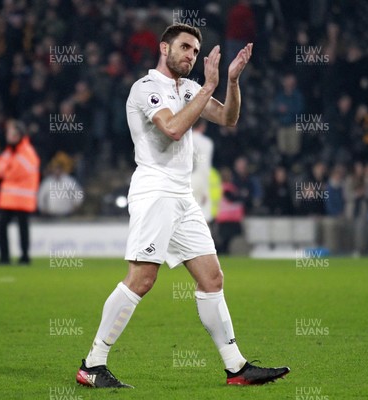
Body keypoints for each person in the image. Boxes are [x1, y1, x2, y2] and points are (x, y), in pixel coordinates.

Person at [76, 23, 289, 388]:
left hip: (182, 196)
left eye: (195, 50)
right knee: (142, 279)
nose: (191, 55)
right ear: (164, 48)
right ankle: (93, 365)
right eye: (185, 48)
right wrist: (209, 86)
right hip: (155, 190)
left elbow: (228, 118)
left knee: (212, 278)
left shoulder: (189, 88)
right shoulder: (145, 89)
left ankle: (236, 367)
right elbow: (172, 129)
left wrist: (232, 81)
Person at [0, 120, 40, 265]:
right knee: (3, 227)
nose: (9, 136)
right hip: (8, 198)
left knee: (22, 228)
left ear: (19, 134)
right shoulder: (10, 151)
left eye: (12, 133)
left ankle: (24, 256)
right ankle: (4, 257)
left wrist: (7, 171)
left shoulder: (27, 151)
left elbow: (17, 171)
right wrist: (8, 171)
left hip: (22, 198)